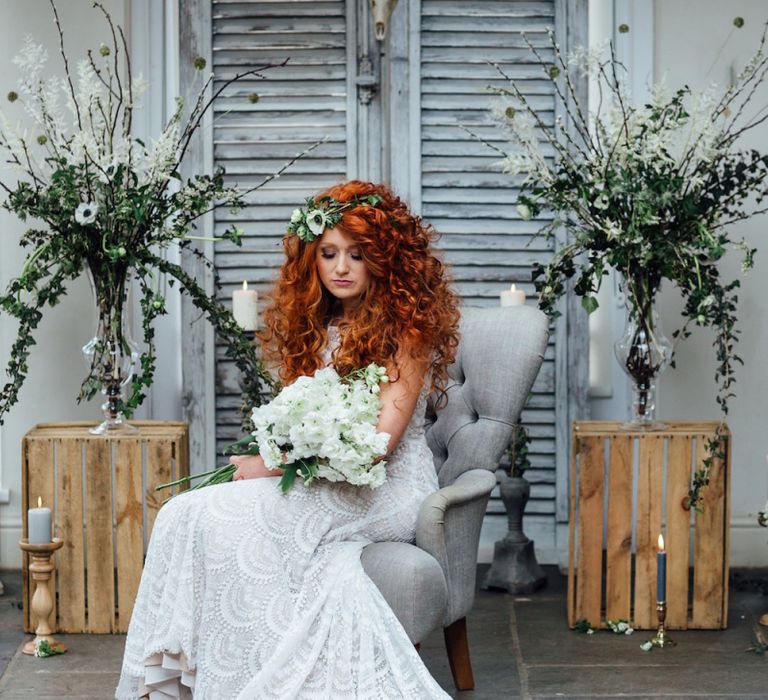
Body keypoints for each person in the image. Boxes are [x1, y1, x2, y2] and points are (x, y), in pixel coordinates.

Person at [116, 180, 460, 699]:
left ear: (385, 259)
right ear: (312, 259)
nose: (341, 266)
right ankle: (192, 678)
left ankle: (255, 680)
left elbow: (380, 444)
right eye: (328, 253)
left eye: (357, 253)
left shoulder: (408, 331)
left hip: (387, 488)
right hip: (327, 477)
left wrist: (271, 464)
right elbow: (307, 422)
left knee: (218, 514)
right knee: (183, 513)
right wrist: (270, 451)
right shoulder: (320, 326)